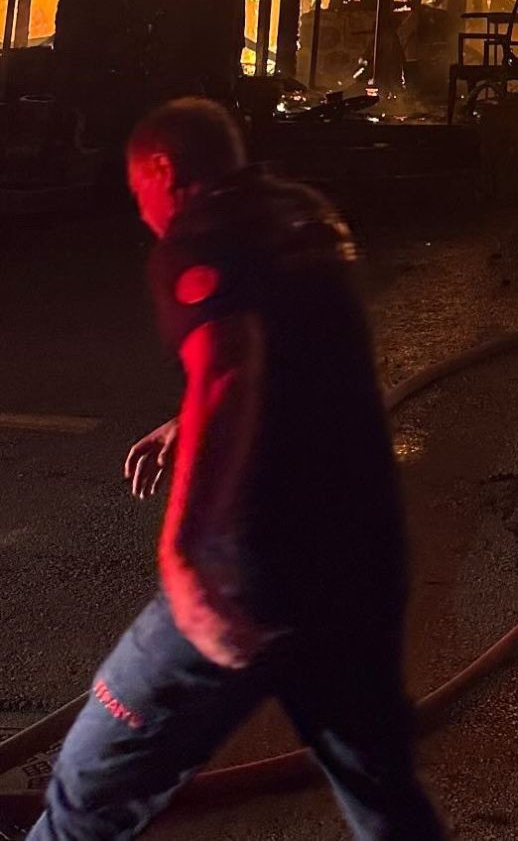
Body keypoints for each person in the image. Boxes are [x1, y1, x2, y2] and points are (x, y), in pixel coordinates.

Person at [30, 96, 447, 841]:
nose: (143, 214)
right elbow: (297, 356)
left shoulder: (200, 236)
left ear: (164, 169)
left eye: (139, 193)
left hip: (252, 573)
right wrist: (185, 420)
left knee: (86, 787)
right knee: (382, 795)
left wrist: (186, 563)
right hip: (362, 559)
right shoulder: (306, 214)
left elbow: (229, 365)